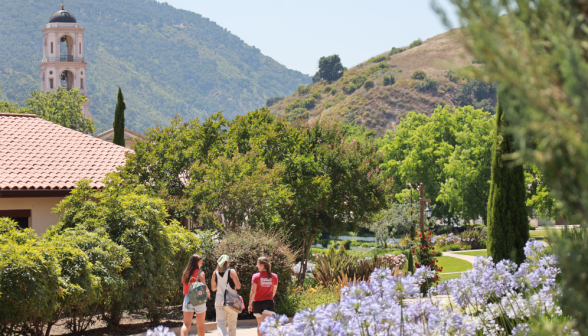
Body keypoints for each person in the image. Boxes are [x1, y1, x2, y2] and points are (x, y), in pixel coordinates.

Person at [211, 254, 242, 336]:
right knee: (232, 324)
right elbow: (238, 286)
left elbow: (213, 288)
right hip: (232, 301)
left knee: (221, 324)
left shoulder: (215, 273)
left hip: (219, 300)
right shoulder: (231, 272)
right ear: (228, 262)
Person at [180, 254, 210, 336]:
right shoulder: (201, 273)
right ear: (196, 263)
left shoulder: (186, 272)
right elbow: (204, 286)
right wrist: (208, 292)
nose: (202, 264)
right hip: (199, 299)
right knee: (200, 325)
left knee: (186, 324)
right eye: (200, 262)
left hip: (188, 299)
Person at [248, 256, 278, 336]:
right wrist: (268, 297)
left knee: (260, 325)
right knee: (266, 326)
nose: (256, 265)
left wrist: (250, 304)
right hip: (268, 303)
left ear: (262, 265)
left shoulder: (255, 276)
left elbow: (253, 291)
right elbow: (274, 291)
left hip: (257, 303)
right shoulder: (274, 276)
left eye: (257, 264)